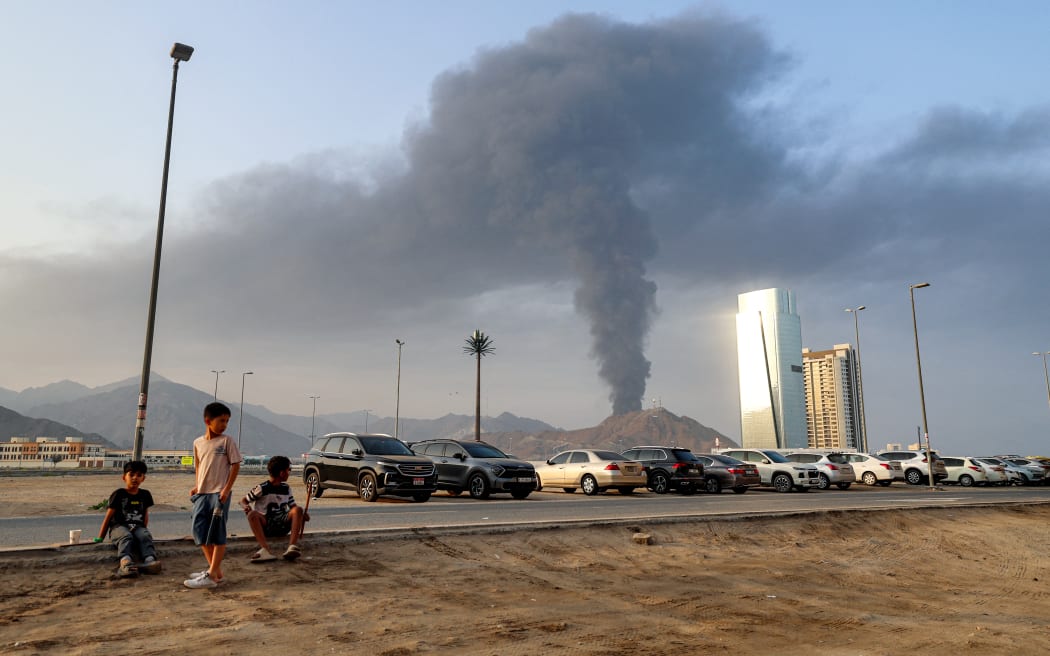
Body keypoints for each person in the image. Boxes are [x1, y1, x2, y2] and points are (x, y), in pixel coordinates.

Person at [184, 401, 242, 589]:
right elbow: (199, 466)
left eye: (227, 421)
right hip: (202, 493)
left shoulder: (227, 441)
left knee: (217, 533)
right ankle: (215, 571)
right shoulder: (198, 443)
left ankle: (211, 575)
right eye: (221, 420)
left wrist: (226, 489)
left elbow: (235, 465)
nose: (224, 425)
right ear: (208, 421)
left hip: (219, 494)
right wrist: (197, 485)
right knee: (199, 530)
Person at [96, 460, 162, 577]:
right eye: (131, 474)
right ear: (124, 477)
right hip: (119, 527)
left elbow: (145, 514)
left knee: (145, 536)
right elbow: (108, 516)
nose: (135, 478)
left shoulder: (145, 494)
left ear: (143, 478)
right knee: (126, 536)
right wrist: (100, 537)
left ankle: (149, 562)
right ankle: (125, 563)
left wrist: (142, 531)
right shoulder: (119, 494)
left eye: (139, 475)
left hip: (137, 527)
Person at [239, 455, 309, 562]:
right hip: (266, 524)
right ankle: (265, 550)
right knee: (252, 515)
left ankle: (292, 547)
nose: (289, 472)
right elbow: (243, 501)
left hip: (282, 523)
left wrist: (302, 515)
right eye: (288, 469)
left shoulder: (286, 488)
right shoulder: (262, 488)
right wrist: (246, 507)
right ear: (282, 473)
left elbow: (293, 508)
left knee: (298, 510)